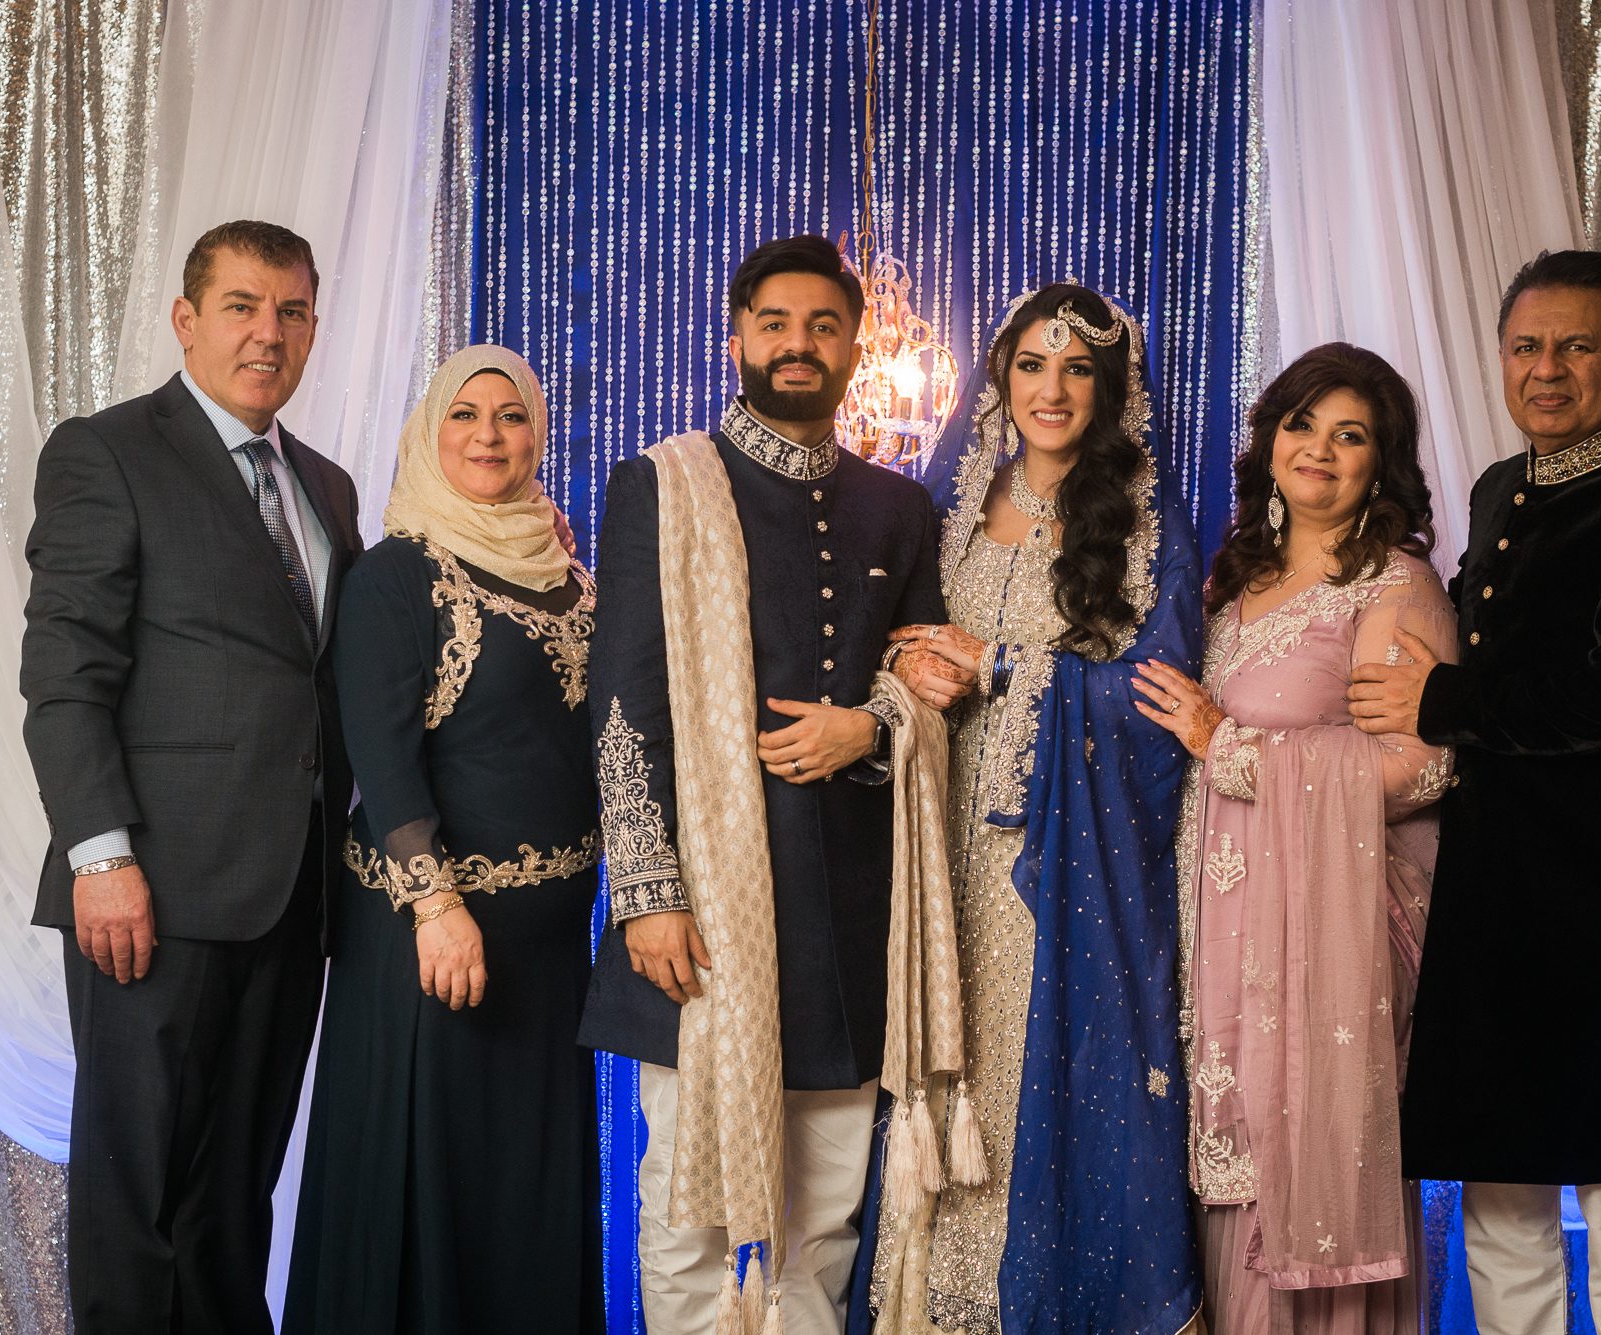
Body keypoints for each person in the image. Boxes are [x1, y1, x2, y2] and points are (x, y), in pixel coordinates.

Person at [579, 234, 967, 1335]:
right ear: (737, 339)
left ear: (854, 346)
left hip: (847, 910)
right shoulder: (664, 484)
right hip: (701, 910)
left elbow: (930, 680)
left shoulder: (898, 508)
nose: (798, 344)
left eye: (822, 326)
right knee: (688, 1210)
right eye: (775, 324)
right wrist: (646, 893)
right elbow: (622, 702)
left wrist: (869, 728)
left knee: (827, 1214)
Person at [1349, 250, 1601, 1335]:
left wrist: (1444, 698)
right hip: (1489, 889)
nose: (1546, 369)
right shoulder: (1498, 489)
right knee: (1499, 1177)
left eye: (1575, 347)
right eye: (1526, 346)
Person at [20, 220, 360, 1331]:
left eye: (292, 311)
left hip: (293, 897)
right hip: (151, 893)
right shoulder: (108, 451)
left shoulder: (327, 487)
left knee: (234, 1200)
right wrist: (100, 857)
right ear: (186, 319)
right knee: (140, 1204)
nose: (269, 333)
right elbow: (65, 674)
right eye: (242, 306)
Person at [858, 283, 1204, 1334]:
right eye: (1031, 365)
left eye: (1077, 369)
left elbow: (1161, 703)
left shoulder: (1145, 524)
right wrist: (906, 667)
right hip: (931, 852)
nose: (1051, 390)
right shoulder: (953, 504)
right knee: (933, 1071)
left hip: (1057, 864)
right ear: (999, 378)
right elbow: (888, 636)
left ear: (1110, 389)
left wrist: (1005, 669)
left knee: (1033, 1080)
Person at [1131, 343, 1455, 1333]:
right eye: (1301, 423)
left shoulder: (1391, 587)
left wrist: (1224, 746)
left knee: (1300, 1208)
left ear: (1380, 464)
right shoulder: (1231, 585)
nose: (1318, 447)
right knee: (1229, 1205)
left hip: (1319, 957)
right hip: (1219, 953)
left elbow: (1423, 767)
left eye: (1349, 435)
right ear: (1270, 440)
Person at [283, 346, 602, 1332]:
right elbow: (381, 758)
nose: (488, 436)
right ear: (429, 431)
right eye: (464, 414)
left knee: (522, 1204)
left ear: (537, 433)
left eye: (511, 415)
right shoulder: (396, 574)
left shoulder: (568, 572)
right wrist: (435, 905)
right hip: (434, 943)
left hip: (548, 957)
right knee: (430, 1195)